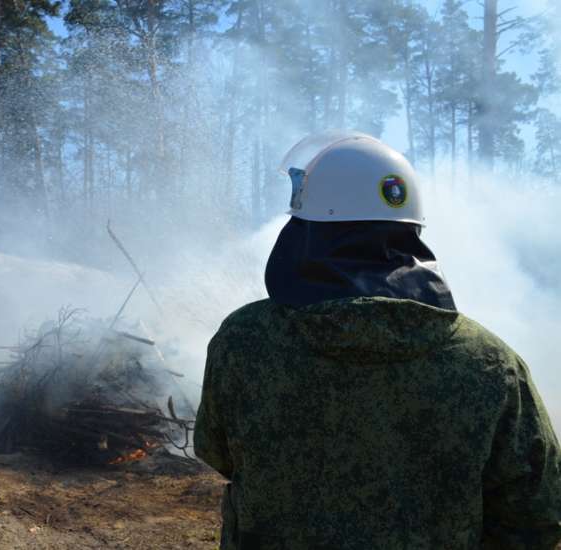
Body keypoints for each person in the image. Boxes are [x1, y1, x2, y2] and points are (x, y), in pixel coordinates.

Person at [194, 131, 561, 549]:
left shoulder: (244, 341)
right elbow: (536, 513)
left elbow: (216, 450)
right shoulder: (492, 364)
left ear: (305, 230)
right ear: (413, 233)